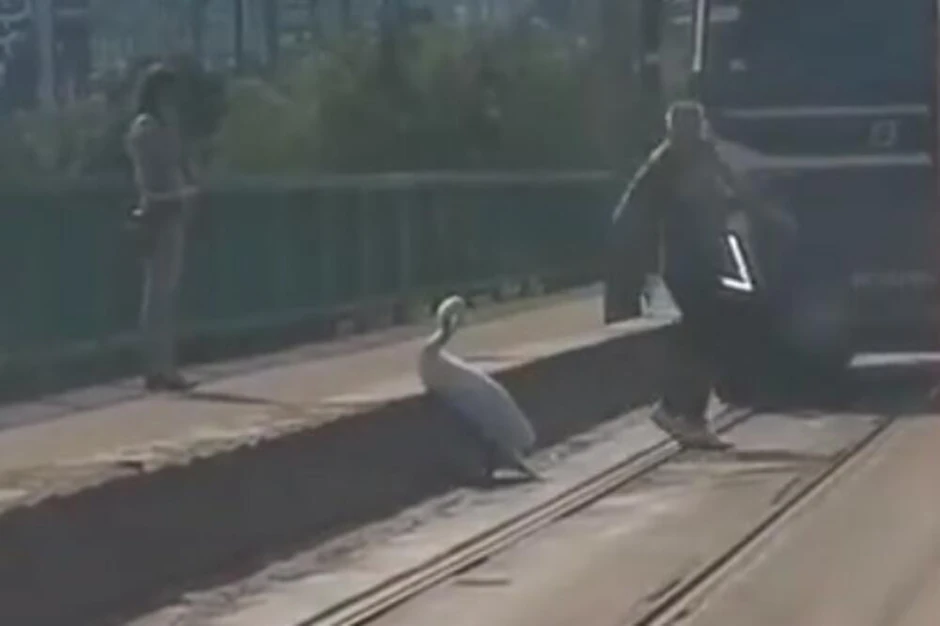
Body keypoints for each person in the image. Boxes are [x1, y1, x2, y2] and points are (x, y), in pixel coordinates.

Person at [604, 100, 795, 448]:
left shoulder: (704, 157)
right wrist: (633, 264)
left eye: (694, 126)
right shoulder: (665, 164)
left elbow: (736, 191)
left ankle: (686, 412)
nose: (690, 134)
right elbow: (632, 212)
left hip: (708, 260)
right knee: (706, 333)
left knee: (711, 332)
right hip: (684, 265)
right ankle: (680, 410)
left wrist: (766, 215)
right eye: (684, 127)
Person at [125, 63, 199, 392]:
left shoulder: (164, 124)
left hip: (172, 210)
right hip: (159, 211)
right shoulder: (147, 127)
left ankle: (163, 365)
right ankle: (157, 368)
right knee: (157, 294)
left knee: (164, 293)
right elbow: (152, 174)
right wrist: (178, 191)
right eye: (167, 91)